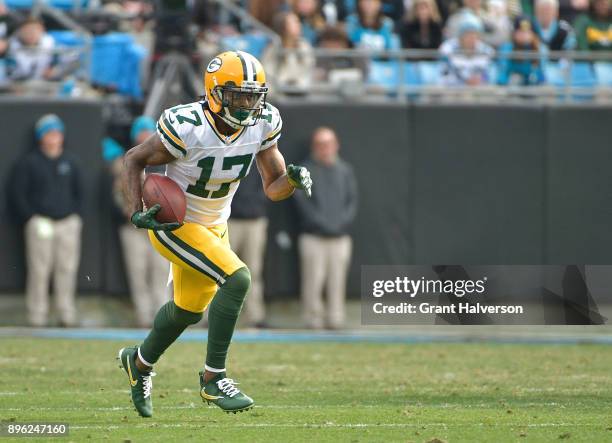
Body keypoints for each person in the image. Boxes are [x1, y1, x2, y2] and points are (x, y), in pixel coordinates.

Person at [117, 50, 313, 418]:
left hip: (214, 225)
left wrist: (293, 180)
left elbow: (273, 187)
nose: (246, 104)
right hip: (174, 222)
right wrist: (136, 210)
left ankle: (138, 363)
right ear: (214, 92)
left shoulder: (264, 122)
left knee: (187, 311)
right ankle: (213, 379)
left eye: (253, 96)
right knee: (237, 278)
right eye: (238, 95)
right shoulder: (187, 124)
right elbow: (134, 159)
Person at [11, 114, 82, 327]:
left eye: (57, 133)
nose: (54, 137)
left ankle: (66, 314)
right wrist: (32, 217)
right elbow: (18, 194)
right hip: (40, 223)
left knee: (67, 269)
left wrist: (74, 216)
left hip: (67, 223)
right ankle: (37, 316)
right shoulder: (29, 163)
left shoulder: (71, 162)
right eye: (49, 133)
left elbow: (80, 193)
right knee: (39, 270)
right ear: (41, 137)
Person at [294, 127, 358, 330]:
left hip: (340, 238)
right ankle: (312, 319)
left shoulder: (345, 171)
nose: (325, 148)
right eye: (321, 144)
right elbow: (302, 203)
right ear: (314, 147)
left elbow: (352, 201)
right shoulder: (304, 171)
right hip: (314, 237)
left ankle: (336, 319)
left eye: (328, 143)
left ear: (336, 145)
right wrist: (321, 223)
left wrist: (340, 224)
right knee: (313, 280)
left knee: (337, 281)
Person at [109, 117, 170, 328]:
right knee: (138, 273)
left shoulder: (166, 160)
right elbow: (116, 193)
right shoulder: (125, 161)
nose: (144, 135)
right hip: (133, 226)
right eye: (141, 131)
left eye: (148, 131)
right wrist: (131, 212)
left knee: (162, 272)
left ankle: (163, 317)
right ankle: (144, 318)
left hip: (160, 227)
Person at [228, 161, 269, 328]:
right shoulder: (226, 150)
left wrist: (256, 206)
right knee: (219, 271)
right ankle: (213, 315)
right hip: (228, 220)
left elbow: (271, 184)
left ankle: (254, 316)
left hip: (255, 220)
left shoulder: (262, 156)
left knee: (253, 271)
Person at [261, 11, 315, 93]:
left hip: (301, 90)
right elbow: (268, 71)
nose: (299, 25)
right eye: (294, 22)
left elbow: (308, 69)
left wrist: (297, 83)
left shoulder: (304, 46)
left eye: (298, 22)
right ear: (283, 26)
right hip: (277, 91)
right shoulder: (273, 48)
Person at [439, 14, 495, 86]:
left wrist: (481, 80)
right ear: (461, 36)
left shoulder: (487, 51)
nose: (471, 38)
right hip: (455, 92)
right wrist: (465, 81)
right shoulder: (447, 49)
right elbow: (443, 76)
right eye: (468, 34)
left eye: (474, 34)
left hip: (478, 91)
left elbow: (490, 74)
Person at [497, 16, 546, 85]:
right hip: (512, 86)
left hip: (533, 84)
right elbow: (503, 71)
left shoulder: (540, 49)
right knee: (515, 78)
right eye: (520, 31)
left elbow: (542, 72)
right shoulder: (507, 48)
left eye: (527, 32)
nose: (524, 35)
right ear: (514, 33)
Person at [7, 17, 58, 81]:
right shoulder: (9, 47)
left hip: (44, 85)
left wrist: (54, 69)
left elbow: (66, 61)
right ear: (20, 31)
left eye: (35, 30)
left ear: (42, 30)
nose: (31, 34)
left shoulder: (52, 44)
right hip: (14, 86)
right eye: (27, 30)